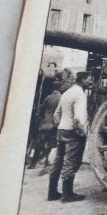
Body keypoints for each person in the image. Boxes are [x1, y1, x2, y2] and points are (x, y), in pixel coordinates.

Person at [48, 71, 93, 203]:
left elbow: (57, 114)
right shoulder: (80, 94)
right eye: (90, 79)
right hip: (74, 132)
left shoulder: (67, 93)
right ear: (82, 80)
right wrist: (82, 132)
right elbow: (79, 118)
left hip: (62, 130)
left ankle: (52, 193)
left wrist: (61, 125)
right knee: (71, 162)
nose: (91, 82)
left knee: (58, 161)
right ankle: (68, 195)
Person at [29, 81, 62, 169]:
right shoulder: (61, 98)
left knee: (39, 144)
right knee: (51, 144)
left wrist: (41, 118)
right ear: (60, 88)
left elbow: (40, 108)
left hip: (44, 124)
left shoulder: (48, 97)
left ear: (52, 88)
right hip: (54, 125)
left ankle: (33, 164)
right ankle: (47, 162)